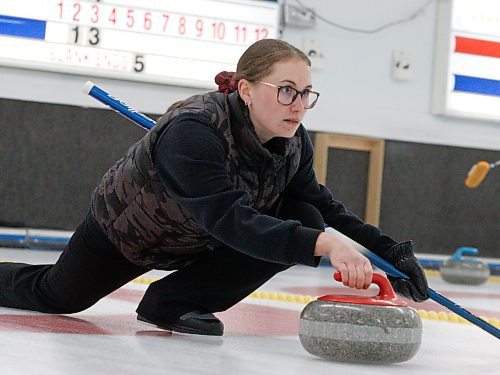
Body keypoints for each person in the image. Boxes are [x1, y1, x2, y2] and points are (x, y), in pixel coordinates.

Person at [0, 39, 428, 336]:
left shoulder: (293, 140)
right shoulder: (195, 131)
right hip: (129, 232)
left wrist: (390, 252)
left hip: (199, 239)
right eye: (285, 91)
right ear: (245, 89)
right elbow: (229, 219)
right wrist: (325, 245)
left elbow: (322, 206)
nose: (298, 104)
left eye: (305, 93)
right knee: (58, 296)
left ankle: (171, 303)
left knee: (306, 215)